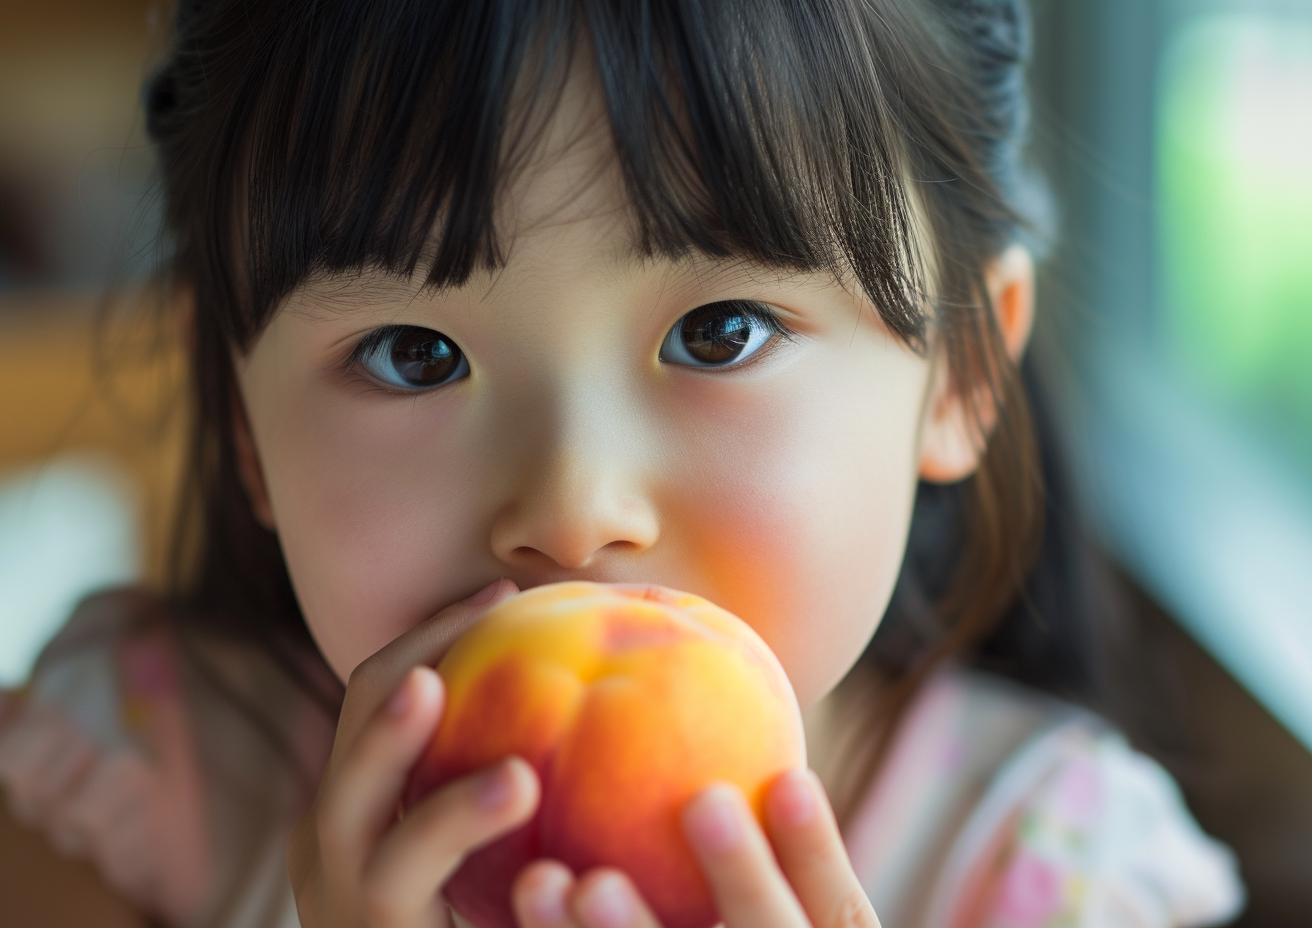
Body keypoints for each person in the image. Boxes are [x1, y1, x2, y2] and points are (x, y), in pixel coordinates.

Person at [0, 1, 1246, 926]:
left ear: (963, 370)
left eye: (720, 333)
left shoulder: (1052, 872)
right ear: (241, 429)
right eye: (413, 354)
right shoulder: (145, 780)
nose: (571, 508)